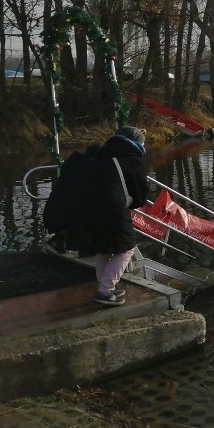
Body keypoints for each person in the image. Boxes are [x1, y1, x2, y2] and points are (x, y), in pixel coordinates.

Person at [66, 126, 149, 306]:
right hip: (111, 208)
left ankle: (104, 286)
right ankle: (105, 291)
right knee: (126, 248)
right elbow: (141, 195)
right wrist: (130, 204)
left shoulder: (99, 157)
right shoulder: (132, 161)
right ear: (136, 144)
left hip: (85, 207)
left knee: (103, 247)